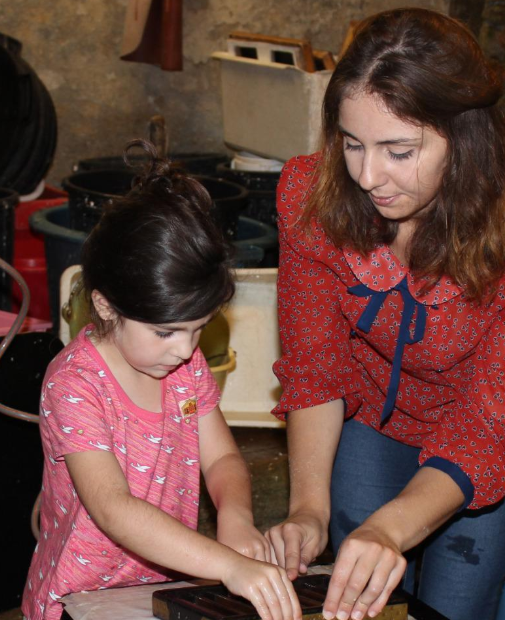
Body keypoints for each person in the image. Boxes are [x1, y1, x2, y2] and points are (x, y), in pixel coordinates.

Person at [265, 8, 505, 620]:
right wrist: (306, 507)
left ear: (463, 137)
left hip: (485, 423)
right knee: (366, 593)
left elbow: (482, 430)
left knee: (453, 606)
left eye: (399, 151)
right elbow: (316, 366)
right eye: (352, 143)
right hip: (371, 411)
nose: (366, 176)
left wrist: (394, 527)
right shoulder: (312, 196)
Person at [22, 142, 302, 620]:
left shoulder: (185, 369)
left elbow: (222, 458)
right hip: (80, 597)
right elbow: (114, 509)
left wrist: (235, 519)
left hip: (162, 589)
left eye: (199, 328)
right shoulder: (75, 384)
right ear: (106, 305)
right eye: (166, 331)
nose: (186, 349)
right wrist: (228, 566)